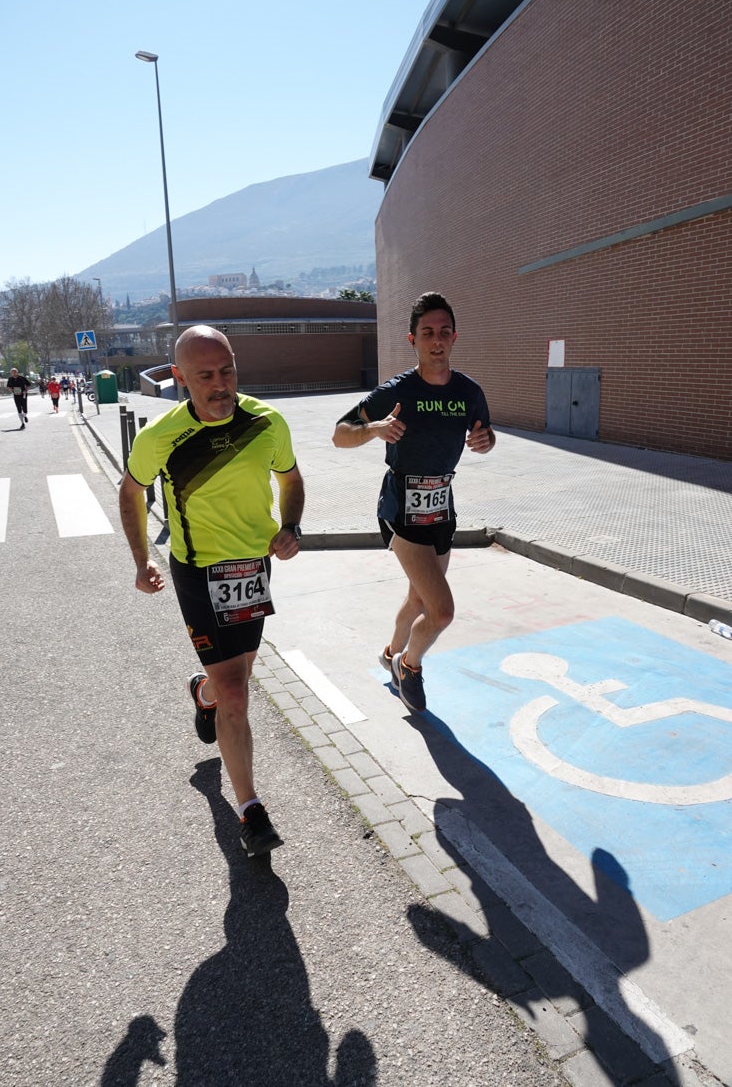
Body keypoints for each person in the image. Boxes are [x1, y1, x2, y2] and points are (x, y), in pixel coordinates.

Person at [119, 325, 304, 857]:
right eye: (205, 375)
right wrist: (140, 561)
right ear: (179, 378)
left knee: (235, 680)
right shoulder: (160, 436)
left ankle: (204, 694)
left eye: (228, 371)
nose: (220, 384)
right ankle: (250, 809)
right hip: (198, 572)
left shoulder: (266, 422)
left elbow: (291, 481)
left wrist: (291, 528)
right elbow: (131, 492)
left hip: (252, 569)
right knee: (239, 694)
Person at [332, 291, 495, 715]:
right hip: (402, 509)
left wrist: (485, 441)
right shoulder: (397, 391)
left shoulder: (469, 391)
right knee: (441, 612)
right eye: (427, 333)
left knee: (419, 600)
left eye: (444, 332)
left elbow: (485, 435)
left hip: (442, 508)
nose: (436, 340)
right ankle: (410, 666)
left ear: (454, 337)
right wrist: (374, 430)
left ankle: (388, 653)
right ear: (413, 340)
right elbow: (340, 432)